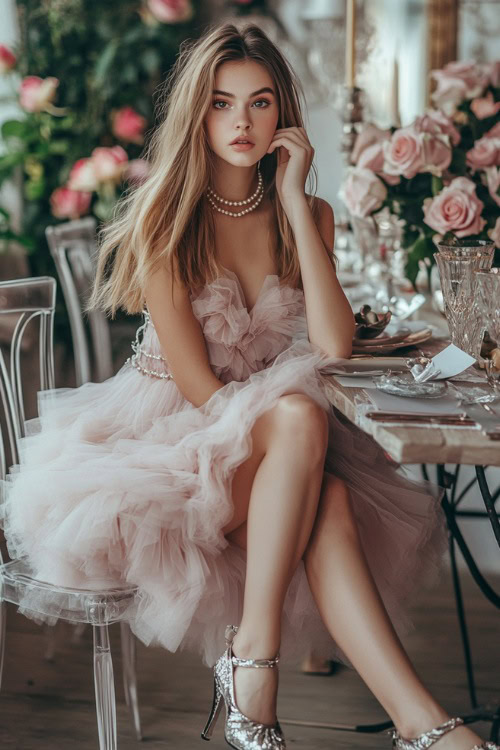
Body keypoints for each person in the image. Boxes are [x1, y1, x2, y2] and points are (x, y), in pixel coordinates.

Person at [1, 22, 495, 750]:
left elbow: (332, 342)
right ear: (198, 114)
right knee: (301, 423)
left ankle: (407, 719)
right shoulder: (167, 221)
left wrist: (296, 203)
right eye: (222, 104)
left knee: (322, 484)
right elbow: (202, 391)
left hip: (274, 441)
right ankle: (272, 666)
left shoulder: (309, 215)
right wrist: (285, 420)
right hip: (170, 446)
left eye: (260, 104)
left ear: (283, 117)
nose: (241, 123)